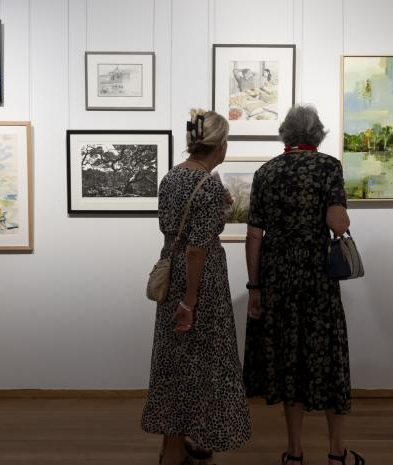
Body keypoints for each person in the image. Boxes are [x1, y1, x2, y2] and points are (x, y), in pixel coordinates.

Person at [243, 105, 365, 465]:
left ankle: (294, 453)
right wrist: (336, 212)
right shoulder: (329, 167)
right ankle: (336, 452)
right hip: (317, 280)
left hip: (278, 279)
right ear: (317, 135)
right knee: (328, 361)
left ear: (285, 134)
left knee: (289, 363)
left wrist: (255, 287)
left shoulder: (265, 172)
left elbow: (253, 236)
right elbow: (337, 224)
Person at [142, 109, 251, 465]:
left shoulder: (171, 178)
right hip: (200, 287)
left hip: (171, 275)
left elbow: (175, 229)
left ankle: (175, 445)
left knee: (175, 363)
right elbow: (197, 251)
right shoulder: (207, 184)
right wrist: (190, 302)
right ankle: (185, 446)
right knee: (205, 364)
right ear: (218, 145)